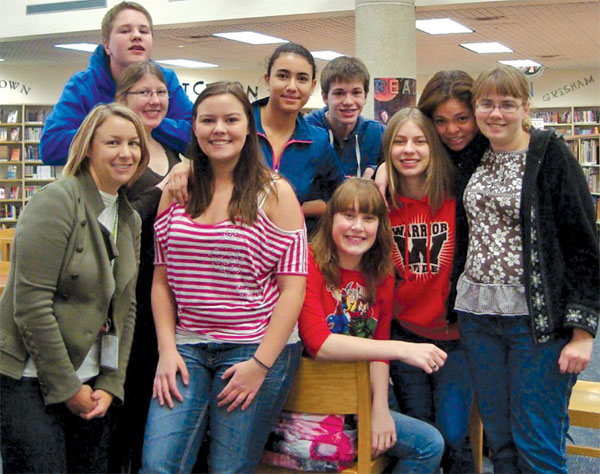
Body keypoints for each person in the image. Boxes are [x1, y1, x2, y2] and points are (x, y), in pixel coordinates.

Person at [141, 81, 308, 473]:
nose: (220, 129)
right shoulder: (178, 189)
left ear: (247, 127)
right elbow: (161, 281)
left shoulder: (276, 192)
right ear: (194, 127)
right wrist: (167, 350)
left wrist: (261, 365)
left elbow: (292, 289)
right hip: (187, 346)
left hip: (254, 346)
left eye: (231, 119)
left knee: (227, 468)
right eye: (208, 120)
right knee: (158, 464)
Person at [450, 64, 599, 473]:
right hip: (477, 317)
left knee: (537, 442)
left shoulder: (551, 155)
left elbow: (585, 244)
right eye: (486, 104)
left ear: (526, 107)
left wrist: (583, 333)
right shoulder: (472, 154)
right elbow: (414, 143)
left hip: (537, 323)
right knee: (500, 440)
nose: (496, 114)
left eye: (507, 104)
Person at [0, 103, 148, 473]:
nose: (126, 153)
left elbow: (124, 309)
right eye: (113, 142)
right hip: (29, 377)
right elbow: (31, 305)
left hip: (91, 380)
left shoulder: (128, 217)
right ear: (88, 149)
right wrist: (68, 389)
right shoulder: (57, 199)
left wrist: (112, 381)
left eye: (133, 143)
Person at [264, 178, 446, 473]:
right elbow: (318, 343)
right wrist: (402, 349)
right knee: (428, 445)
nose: (357, 227)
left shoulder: (381, 273)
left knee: (416, 431)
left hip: (361, 392)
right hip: (311, 398)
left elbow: (377, 350)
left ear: (380, 225)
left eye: (368, 218)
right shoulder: (308, 262)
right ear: (331, 218)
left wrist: (379, 411)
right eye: (348, 215)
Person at [383, 107, 474, 473]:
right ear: (387, 150)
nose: (410, 150)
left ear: (433, 149)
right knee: (422, 432)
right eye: (400, 141)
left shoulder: (459, 200)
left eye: (420, 141)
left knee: (453, 434)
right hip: (406, 337)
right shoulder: (380, 205)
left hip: (455, 338)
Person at [105, 60, 182, 473]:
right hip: (123, 296)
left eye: (161, 93)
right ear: (122, 99)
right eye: (144, 93)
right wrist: (164, 189)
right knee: (125, 398)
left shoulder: (173, 151)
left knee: (155, 399)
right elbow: (117, 214)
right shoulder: (119, 150)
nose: (154, 101)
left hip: (164, 292)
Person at [40, 1, 193, 166]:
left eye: (144, 31)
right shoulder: (84, 85)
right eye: (125, 31)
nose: (136, 36)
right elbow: (51, 147)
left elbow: (196, 135)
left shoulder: (165, 80)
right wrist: (118, 126)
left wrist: (148, 121)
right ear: (107, 45)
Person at [304, 56, 385, 178]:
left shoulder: (378, 134)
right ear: (325, 97)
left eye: (356, 92)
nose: (348, 101)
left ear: (365, 96)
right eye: (339, 93)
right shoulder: (305, 131)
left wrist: (380, 168)